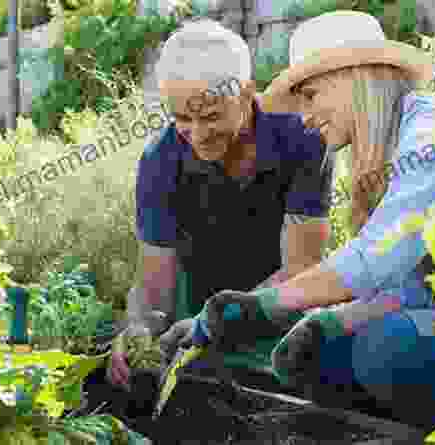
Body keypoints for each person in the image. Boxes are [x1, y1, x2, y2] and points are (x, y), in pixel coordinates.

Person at [187, 11, 435, 429]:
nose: (303, 116)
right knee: (328, 356)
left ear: (354, 79)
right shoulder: (395, 142)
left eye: (311, 95)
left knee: (386, 349)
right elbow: (416, 284)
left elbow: (377, 257)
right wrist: (334, 321)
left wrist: (264, 304)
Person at [106, 18, 335, 391]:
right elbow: (154, 288)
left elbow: (301, 270)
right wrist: (139, 329)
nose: (197, 134)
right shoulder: (160, 160)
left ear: (246, 94)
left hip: (279, 313)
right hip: (192, 318)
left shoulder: (303, 138)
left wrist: (216, 320)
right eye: (182, 118)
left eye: (211, 116)